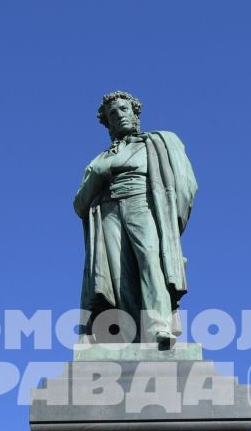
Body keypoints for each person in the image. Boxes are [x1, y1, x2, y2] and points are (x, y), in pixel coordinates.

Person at [73, 90, 198, 346]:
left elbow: (187, 184)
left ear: (135, 113)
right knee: (118, 275)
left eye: (123, 109)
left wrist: (172, 222)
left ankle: (158, 326)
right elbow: (79, 205)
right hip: (108, 211)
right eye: (112, 114)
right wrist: (97, 175)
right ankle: (129, 336)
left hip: (143, 203)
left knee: (150, 260)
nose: (119, 115)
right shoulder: (99, 160)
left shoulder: (159, 142)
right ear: (107, 123)